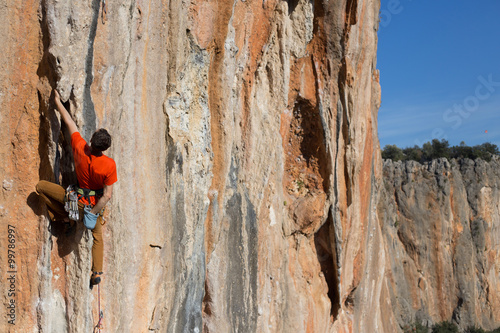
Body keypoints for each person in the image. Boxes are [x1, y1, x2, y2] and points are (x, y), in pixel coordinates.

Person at [36, 89, 117, 286]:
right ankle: (96, 272)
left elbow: (70, 123)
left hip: (74, 201)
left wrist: (57, 102)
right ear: (105, 148)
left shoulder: (81, 147)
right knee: (97, 236)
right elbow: (106, 196)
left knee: (41, 187)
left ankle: (63, 217)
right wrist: (93, 213)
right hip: (93, 206)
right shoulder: (109, 165)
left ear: (91, 141)